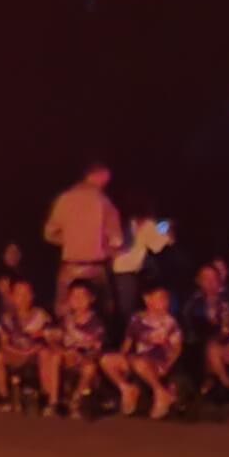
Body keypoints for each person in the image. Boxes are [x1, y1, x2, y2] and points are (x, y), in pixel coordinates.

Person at [44, 163, 128, 308]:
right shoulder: (103, 202)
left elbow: (49, 234)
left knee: (66, 313)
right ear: (98, 175)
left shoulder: (64, 199)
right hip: (95, 268)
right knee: (101, 315)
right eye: (105, 178)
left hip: (70, 268)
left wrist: (70, 241)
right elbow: (117, 240)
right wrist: (107, 249)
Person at [105, 284, 187, 419]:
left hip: (157, 362)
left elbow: (177, 349)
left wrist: (168, 365)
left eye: (166, 299)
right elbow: (128, 343)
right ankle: (127, 389)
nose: (165, 302)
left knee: (138, 361)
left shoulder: (170, 323)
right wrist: (122, 359)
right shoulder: (136, 318)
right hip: (136, 360)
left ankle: (160, 392)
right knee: (107, 360)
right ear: (147, 300)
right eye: (160, 298)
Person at [0, 275, 55, 411]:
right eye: (18, 294)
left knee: (45, 354)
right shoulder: (6, 318)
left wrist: (31, 352)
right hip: (15, 353)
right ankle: (3, 398)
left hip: (35, 354)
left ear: (32, 295)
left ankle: (48, 399)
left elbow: (47, 339)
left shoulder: (41, 315)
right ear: (11, 296)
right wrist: (19, 353)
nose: (22, 298)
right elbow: (3, 343)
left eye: (26, 293)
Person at [49, 281, 109, 415]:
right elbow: (54, 340)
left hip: (85, 360)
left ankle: (76, 401)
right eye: (74, 296)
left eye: (82, 296)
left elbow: (97, 349)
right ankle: (53, 402)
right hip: (67, 356)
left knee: (90, 368)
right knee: (55, 358)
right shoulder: (65, 320)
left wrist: (82, 357)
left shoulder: (97, 323)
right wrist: (64, 352)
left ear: (91, 299)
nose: (78, 300)